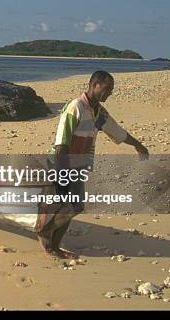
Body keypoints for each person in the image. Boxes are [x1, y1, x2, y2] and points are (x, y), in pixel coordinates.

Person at [37, 70, 149, 258]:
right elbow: (61, 141)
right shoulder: (76, 107)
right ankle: (46, 236)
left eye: (111, 90)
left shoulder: (98, 113)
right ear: (94, 85)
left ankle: (53, 245)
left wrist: (138, 145)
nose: (110, 93)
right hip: (61, 163)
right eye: (107, 89)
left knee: (72, 207)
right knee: (68, 206)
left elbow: (116, 131)